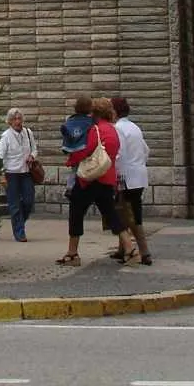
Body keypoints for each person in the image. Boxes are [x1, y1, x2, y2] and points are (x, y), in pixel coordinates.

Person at [56, 97, 137, 266]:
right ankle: (129, 248)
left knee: (76, 212)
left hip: (90, 178)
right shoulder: (112, 130)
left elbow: (86, 151)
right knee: (111, 214)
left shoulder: (96, 130)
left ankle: (72, 254)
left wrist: (71, 161)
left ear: (96, 113)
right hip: (107, 178)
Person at [110, 95, 153, 265]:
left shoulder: (119, 129)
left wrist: (117, 177)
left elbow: (119, 155)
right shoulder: (135, 127)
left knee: (129, 215)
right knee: (128, 212)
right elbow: (146, 150)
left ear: (115, 111)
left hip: (126, 177)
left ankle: (144, 251)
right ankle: (122, 249)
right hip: (139, 175)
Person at [0, 108, 39, 242]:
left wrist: (32, 156)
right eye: (14, 119)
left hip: (26, 172)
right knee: (14, 204)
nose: (18, 121)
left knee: (28, 200)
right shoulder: (6, 136)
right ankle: (19, 232)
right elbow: (0, 156)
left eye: (19, 118)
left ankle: (19, 222)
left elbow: (34, 149)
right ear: (9, 122)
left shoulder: (28, 132)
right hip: (11, 173)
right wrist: (1, 174)